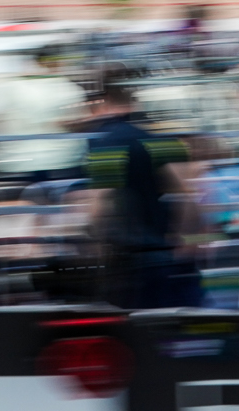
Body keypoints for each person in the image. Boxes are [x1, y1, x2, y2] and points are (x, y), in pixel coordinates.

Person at [85, 76, 199, 308]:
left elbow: (99, 201)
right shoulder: (158, 140)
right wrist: (184, 239)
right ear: (134, 104)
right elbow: (186, 196)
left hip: (125, 256)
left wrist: (93, 240)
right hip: (160, 250)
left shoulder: (103, 143)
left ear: (103, 103)